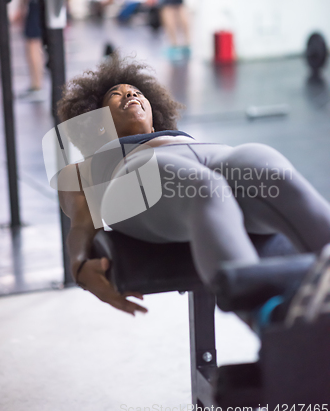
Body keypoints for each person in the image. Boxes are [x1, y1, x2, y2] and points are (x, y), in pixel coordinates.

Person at [56, 54, 330, 318]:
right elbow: (81, 224)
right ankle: (269, 317)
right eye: (116, 94)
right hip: (136, 175)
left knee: (270, 171)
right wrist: (79, 266)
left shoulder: (180, 136)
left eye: (137, 92)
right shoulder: (86, 167)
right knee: (205, 188)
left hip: (210, 155)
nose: (131, 94)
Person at [15, 0, 67, 102]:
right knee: (55, 40)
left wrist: (22, 5)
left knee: (32, 42)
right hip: (55, 1)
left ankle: (37, 85)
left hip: (37, 2)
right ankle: (59, 86)